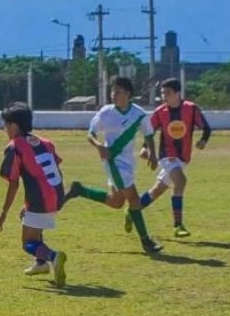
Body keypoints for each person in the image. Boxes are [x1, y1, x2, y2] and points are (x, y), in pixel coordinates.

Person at [65, 77, 164, 254]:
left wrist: (154, 155)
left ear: (128, 94)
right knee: (133, 199)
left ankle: (80, 190)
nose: (113, 94)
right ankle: (146, 241)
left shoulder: (139, 114)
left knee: (116, 202)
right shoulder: (105, 112)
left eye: (117, 91)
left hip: (128, 163)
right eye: (113, 91)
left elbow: (149, 135)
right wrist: (99, 146)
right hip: (112, 162)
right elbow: (91, 134)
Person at [0, 102, 68, 288]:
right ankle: (40, 264)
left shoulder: (15, 147)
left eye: (5, 125)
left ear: (13, 126)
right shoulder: (45, 142)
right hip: (57, 194)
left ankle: (52, 256)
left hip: (40, 199)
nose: (5, 130)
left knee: (27, 243)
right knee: (27, 216)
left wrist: (3, 213)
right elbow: (57, 169)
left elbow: (13, 183)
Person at [130, 78, 212, 237]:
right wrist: (145, 148)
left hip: (183, 157)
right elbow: (149, 131)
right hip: (166, 155)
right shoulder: (160, 112)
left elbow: (206, 127)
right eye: (162, 93)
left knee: (157, 191)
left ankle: (133, 210)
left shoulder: (191, 109)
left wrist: (203, 140)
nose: (164, 96)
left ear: (177, 93)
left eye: (167, 93)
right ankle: (178, 225)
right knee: (180, 181)